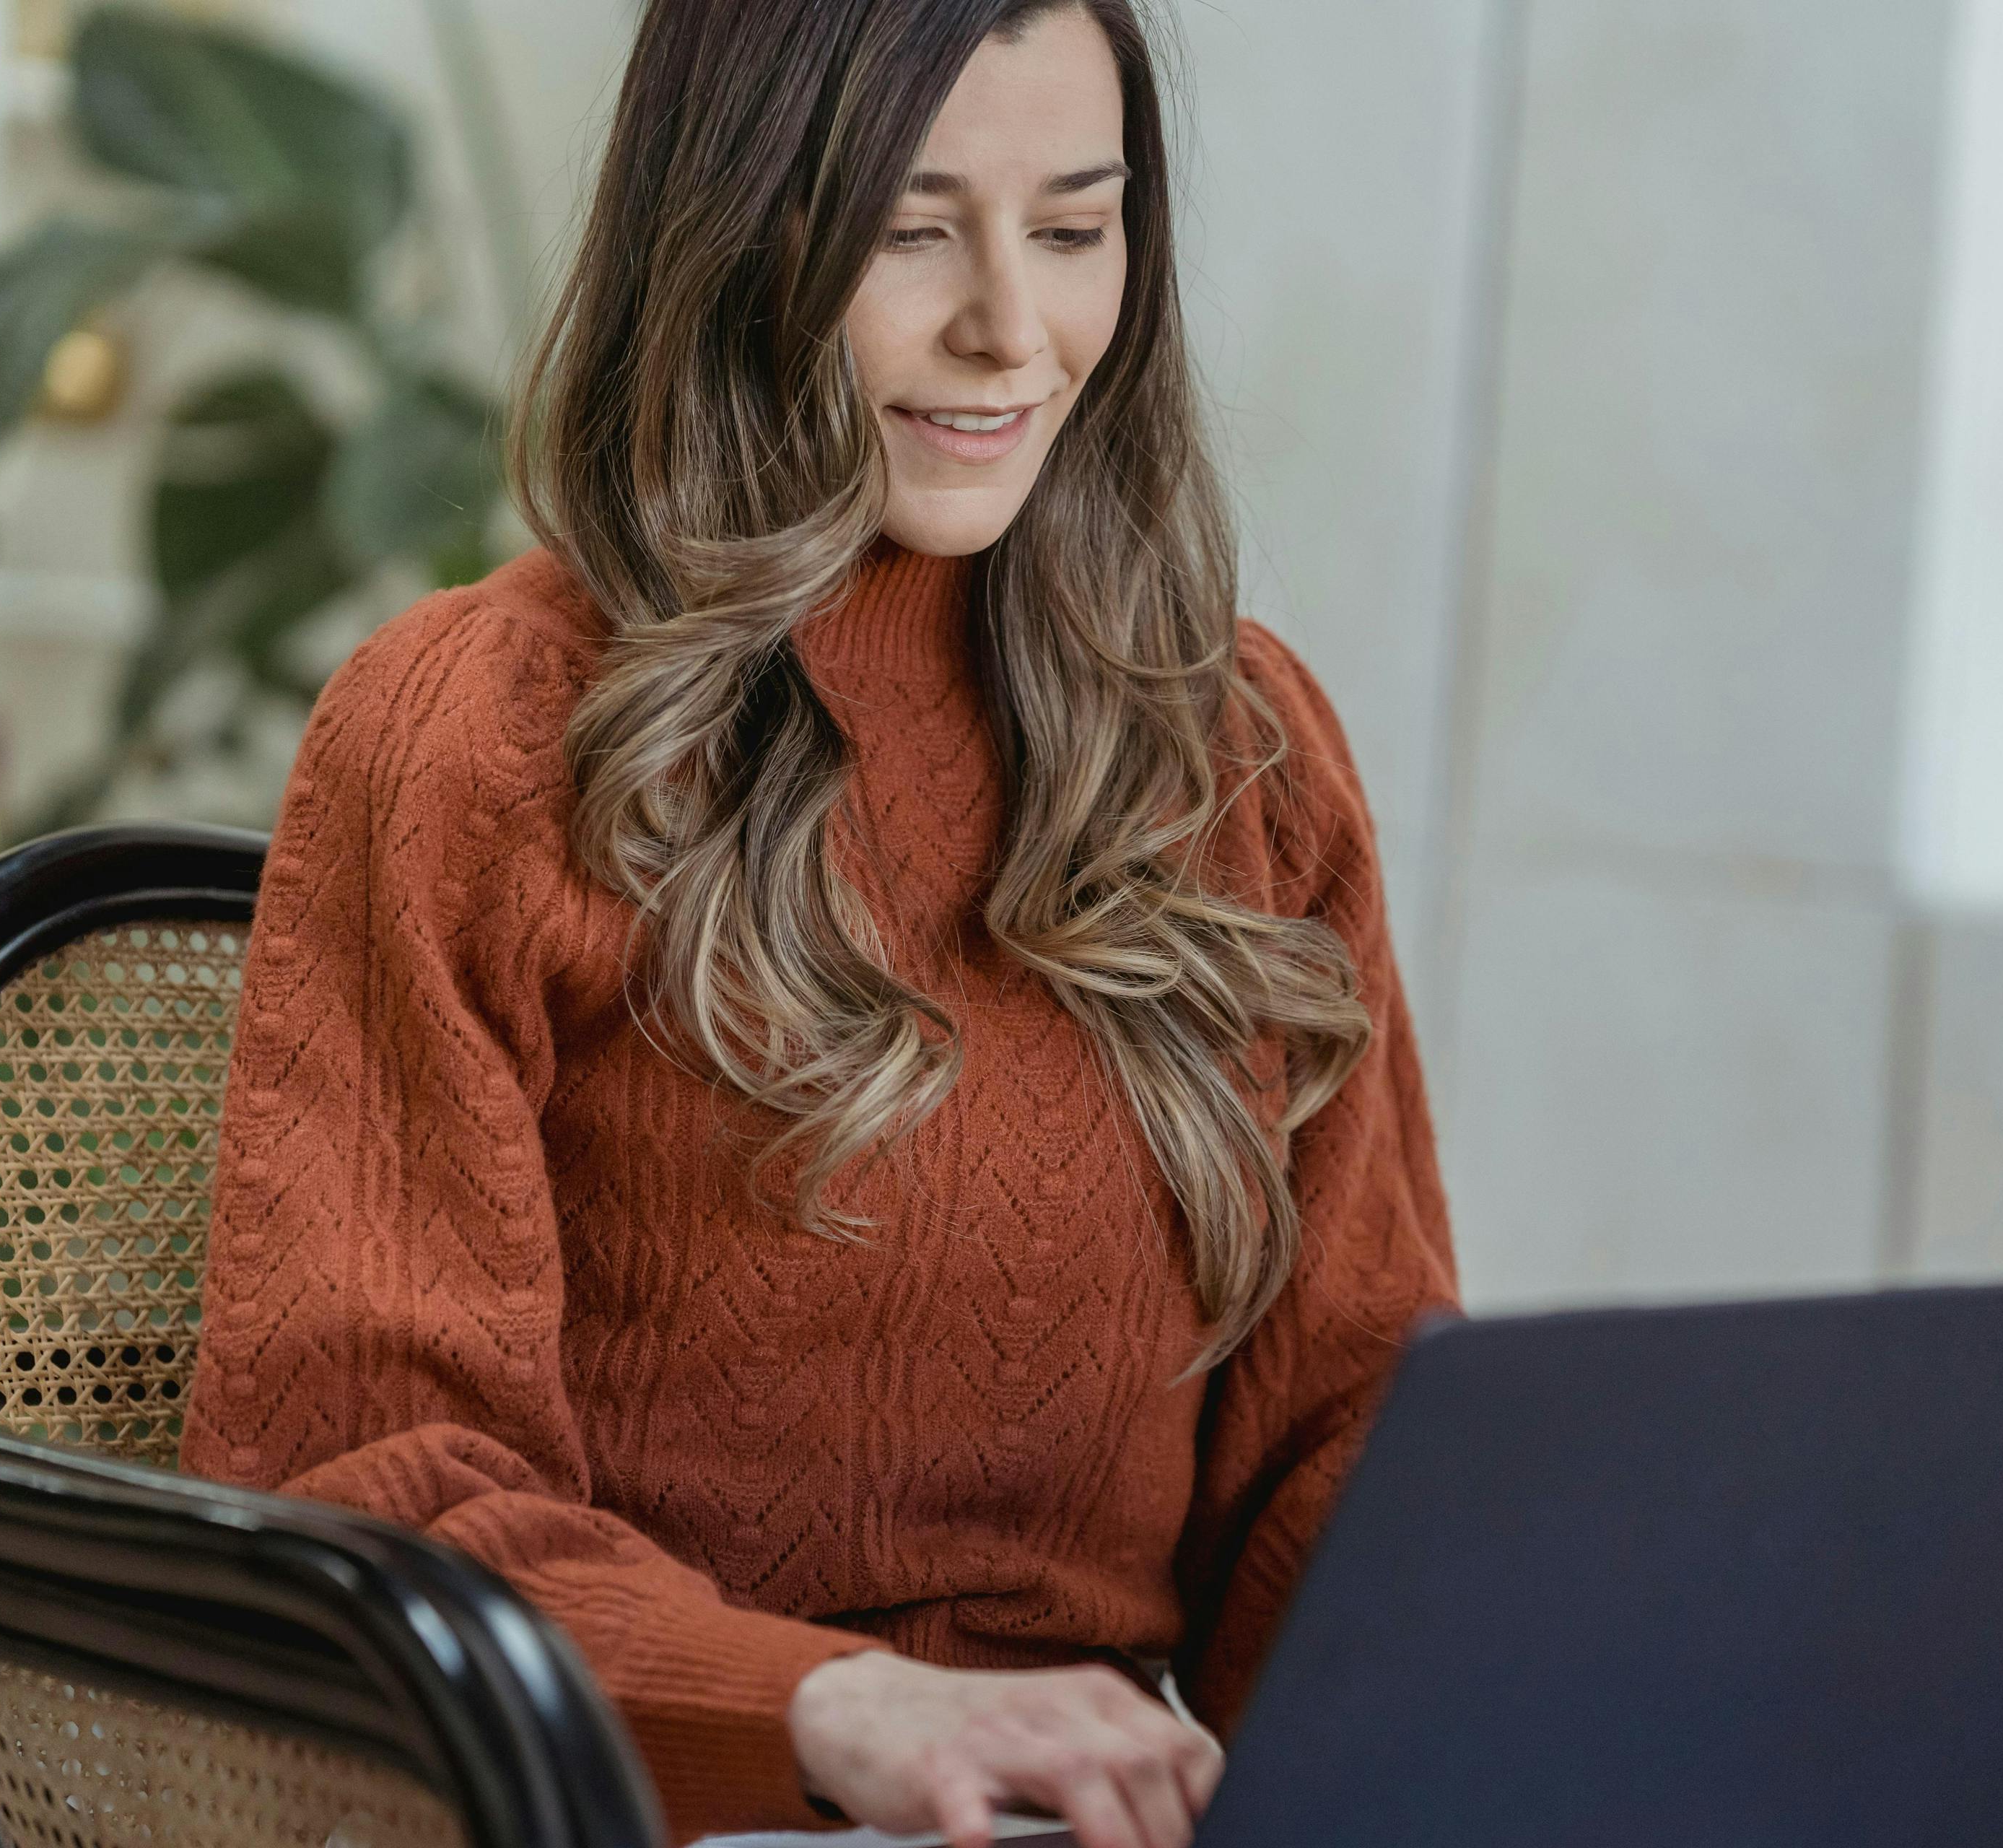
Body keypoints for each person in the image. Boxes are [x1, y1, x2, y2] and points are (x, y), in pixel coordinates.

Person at [180, 2, 1457, 1844]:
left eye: (1077, 230)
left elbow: (1349, 1446)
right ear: (736, 235)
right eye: (908, 230)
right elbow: (369, 1476)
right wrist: (828, 1708)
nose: (1011, 330)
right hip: (630, 1807)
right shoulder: (476, 730)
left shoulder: (1239, 750)